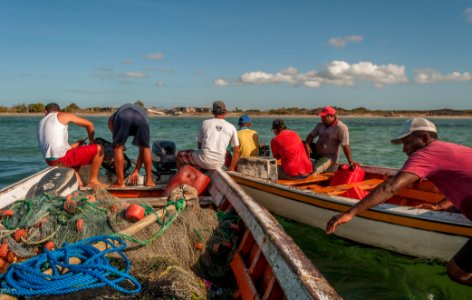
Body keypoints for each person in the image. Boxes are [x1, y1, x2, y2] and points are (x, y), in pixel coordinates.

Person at [325, 118, 472, 286]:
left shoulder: (426, 153)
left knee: (456, 272)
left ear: (424, 138)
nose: (405, 149)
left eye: (408, 142)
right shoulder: (449, 150)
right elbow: (461, 183)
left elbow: (391, 188)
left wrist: (350, 212)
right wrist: (439, 206)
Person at [37, 103, 105, 188]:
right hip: (61, 159)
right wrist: (91, 141)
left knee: (78, 148)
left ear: (45, 112)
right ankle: (93, 180)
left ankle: (79, 182)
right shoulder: (63, 115)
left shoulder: (42, 122)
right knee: (99, 149)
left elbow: (55, 148)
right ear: (59, 111)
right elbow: (89, 125)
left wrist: (76, 145)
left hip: (50, 161)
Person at [176, 100, 240, 171]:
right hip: (220, 163)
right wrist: (231, 168)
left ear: (212, 112)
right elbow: (236, 151)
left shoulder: (205, 123)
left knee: (179, 155)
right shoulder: (231, 127)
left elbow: (199, 144)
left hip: (203, 160)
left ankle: (182, 177)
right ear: (226, 112)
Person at [108, 103, 155, 188]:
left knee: (117, 148)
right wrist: (136, 170)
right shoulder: (142, 111)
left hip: (124, 116)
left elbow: (110, 122)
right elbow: (142, 151)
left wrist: (117, 142)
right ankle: (149, 180)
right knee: (145, 148)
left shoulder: (115, 116)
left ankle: (120, 182)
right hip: (142, 119)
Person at [305, 106, 355, 173]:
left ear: (331, 116)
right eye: (321, 117)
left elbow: (345, 145)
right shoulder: (320, 125)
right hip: (317, 152)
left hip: (330, 156)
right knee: (299, 145)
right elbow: (311, 135)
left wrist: (350, 162)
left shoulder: (341, 128)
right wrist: (307, 143)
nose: (321, 119)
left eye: (323, 117)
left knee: (316, 170)